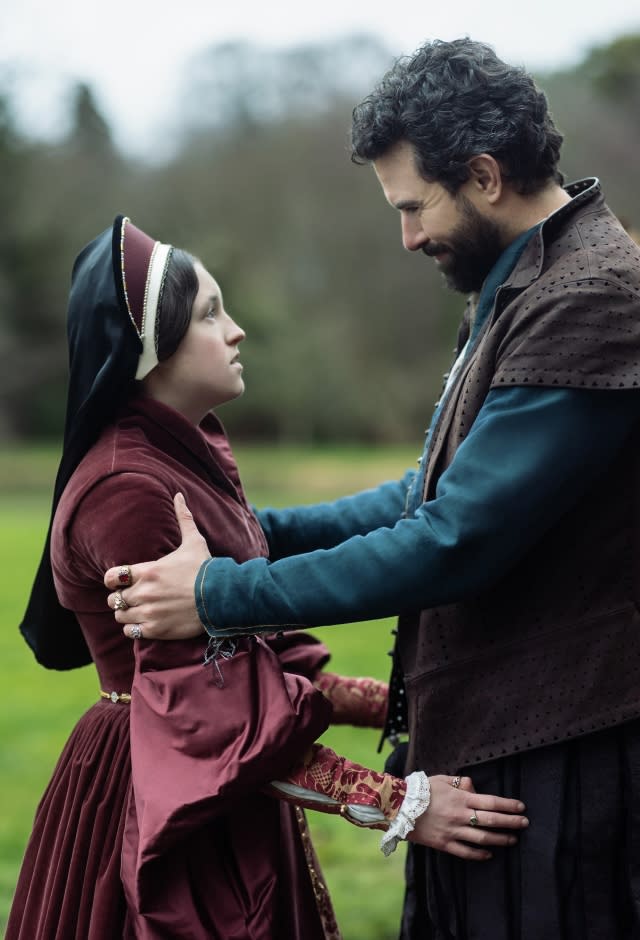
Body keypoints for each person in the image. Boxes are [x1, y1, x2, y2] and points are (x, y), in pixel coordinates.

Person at [104, 38, 640, 939]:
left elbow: (456, 538)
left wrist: (219, 595)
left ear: (483, 174)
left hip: (560, 752)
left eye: (414, 206)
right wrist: (251, 533)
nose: (409, 237)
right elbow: (423, 494)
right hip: (508, 740)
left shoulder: (591, 296)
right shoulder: (524, 281)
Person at [10, 215, 527, 940]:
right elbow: (211, 720)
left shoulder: (181, 456)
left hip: (218, 781)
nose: (237, 330)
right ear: (150, 349)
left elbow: (263, 667)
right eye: (210, 314)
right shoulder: (127, 487)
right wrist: (401, 804)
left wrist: (402, 705)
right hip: (162, 797)